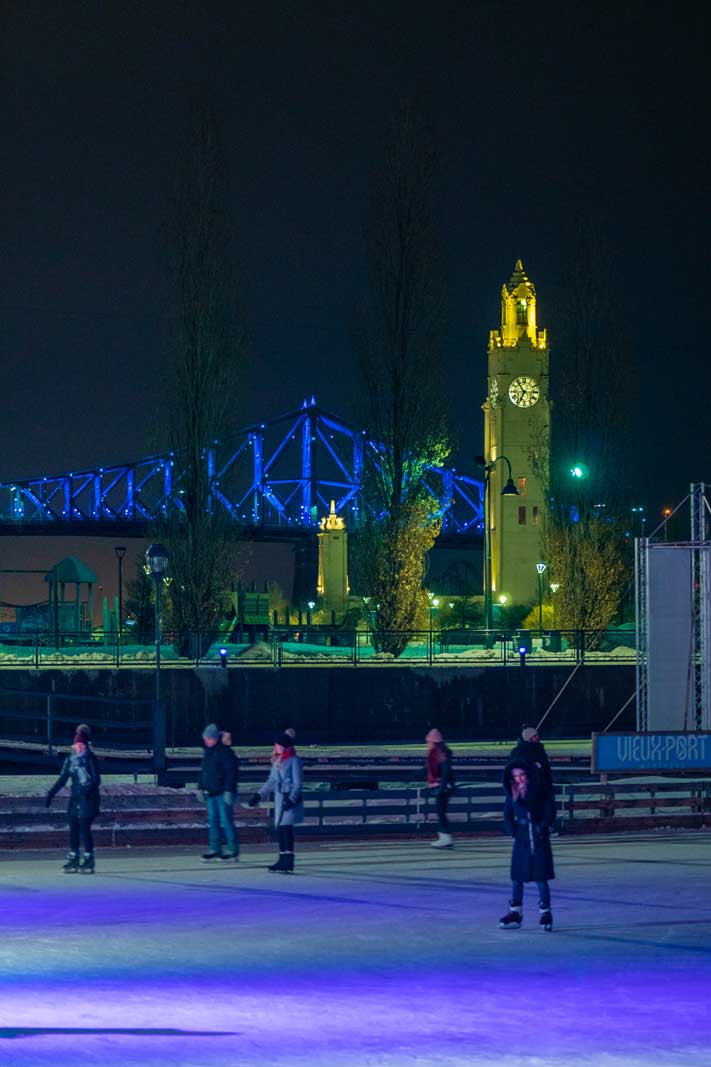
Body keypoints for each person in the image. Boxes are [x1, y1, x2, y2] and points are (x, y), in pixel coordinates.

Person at [499, 760, 555, 931]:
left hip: (538, 838)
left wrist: (542, 826)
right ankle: (515, 912)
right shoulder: (512, 793)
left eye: (522, 775)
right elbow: (507, 816)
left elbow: (549, 810)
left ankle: (545, 912)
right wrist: (514, 831)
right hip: (522, 839)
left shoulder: (540, 790)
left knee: (540, 877)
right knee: (517, 877)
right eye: (515, 776)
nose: (519, 779)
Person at [45, 724, 101, 873]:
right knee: (74, 828)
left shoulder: (90, 758)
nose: (78, 747)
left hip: (88, 798)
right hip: (75, 798)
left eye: (80, 744)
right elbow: (63, 778)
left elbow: (96, 779)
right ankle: (74, 856)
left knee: (84, 828)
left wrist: (86, 790)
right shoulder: (71, 758)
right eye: (77, 745)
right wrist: (51, 793)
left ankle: (89, 858)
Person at [247, 732, 303, 873]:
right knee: (281, 830)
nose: (275, 747)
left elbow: (298, 783)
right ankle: (282, 859)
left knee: (286, 829)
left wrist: (291, 799)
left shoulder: (294, 760)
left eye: (277, 745)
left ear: (283, 746)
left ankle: (288, 861)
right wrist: (259, 795)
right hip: (280, 800)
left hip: (289, 799)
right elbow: (271, 781)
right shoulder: (277, 761)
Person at [198, 724, 239, 861]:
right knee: (213, 822)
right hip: (211, 793)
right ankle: (215, 848)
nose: (207, 741)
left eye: (209, 739)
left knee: (226, 821)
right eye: (205, 739)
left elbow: (231, 773)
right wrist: (200, 787)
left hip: (222, 793)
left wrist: (229, 790)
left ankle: (232, 850)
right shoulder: (207, 753)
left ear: (216, 739)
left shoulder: (225, 752)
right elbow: (204, 773)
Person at [425, 728, 456, 848]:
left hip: (441, 788)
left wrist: (443, 787)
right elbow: (428, 769)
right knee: (441, 813)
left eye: (428, 741)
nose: (427, 743)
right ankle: (445, 837)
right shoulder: (436, 753)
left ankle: (446, 838)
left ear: (433, 741)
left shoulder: (439, 754)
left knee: (441, 813)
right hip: (441, 787)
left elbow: (446, 771)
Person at [510, 725, 554, 799]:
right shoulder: (517, 752)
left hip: (542, 787)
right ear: (529, 738)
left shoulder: (540, 749)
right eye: (535, 736)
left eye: (537, 735)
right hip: (526, 787)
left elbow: (546, 768)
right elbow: (513, 768)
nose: (538, 737)